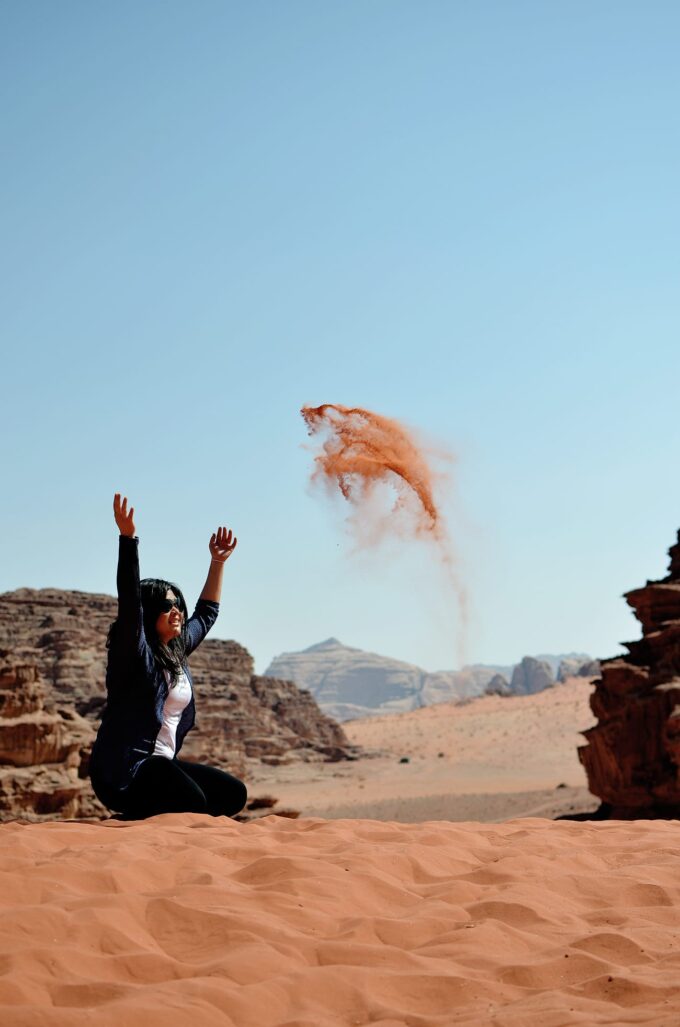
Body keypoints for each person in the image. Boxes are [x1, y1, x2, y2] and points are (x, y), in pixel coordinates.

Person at [89, 493, 248, 820]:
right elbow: (130, 603)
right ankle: (131, 819)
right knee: (193, 803)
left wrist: (217, 562)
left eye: (177, 604)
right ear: (149, 614)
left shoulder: (177, 651)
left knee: (233, 795)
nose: (175, 611)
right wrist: (127, 540)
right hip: (125, 772)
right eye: (165, 606)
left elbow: (206, 614)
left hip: (162, 767)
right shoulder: (134, 653)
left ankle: (145, 814)